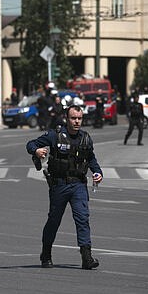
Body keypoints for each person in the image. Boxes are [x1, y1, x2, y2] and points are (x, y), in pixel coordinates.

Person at [26, 105, 103, 270]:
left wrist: (97, 172)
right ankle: (46, 254)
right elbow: (30, 144)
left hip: (78, 185)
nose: (76, 121)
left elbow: (91, 159)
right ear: (66, 119)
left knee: (82, 219)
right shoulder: (55, 136)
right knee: (54, 221)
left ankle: (86, 257)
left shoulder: (85, 138)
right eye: (73, 118)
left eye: (79, 118)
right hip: (59, 184)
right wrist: (37, 150)